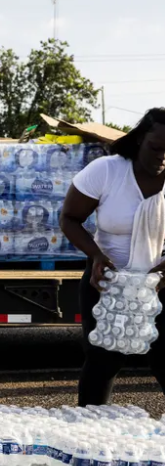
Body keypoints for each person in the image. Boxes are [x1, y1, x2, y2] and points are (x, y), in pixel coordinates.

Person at [61, 108, 165, 406]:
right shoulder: (107, 171)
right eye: (155, 148)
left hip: (158, 283)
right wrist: (95, 255)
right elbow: (69, 218)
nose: (162, 157)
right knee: (104, 359)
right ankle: (89, 435)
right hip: (107, 281)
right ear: (139, 141)